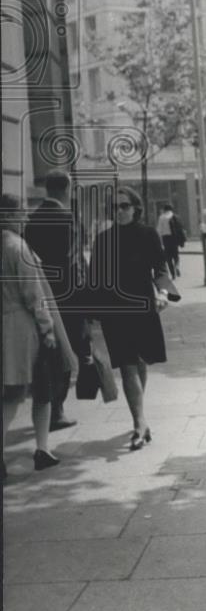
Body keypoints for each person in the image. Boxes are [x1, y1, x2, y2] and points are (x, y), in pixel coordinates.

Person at [87, 186, 169, 450]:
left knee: (140, 362)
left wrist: (164, 293)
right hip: (115, 311)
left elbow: (161, 268)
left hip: (143, 307)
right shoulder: (102, 240)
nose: (119, 211)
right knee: (128, 366)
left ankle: (140, 416)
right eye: (114, 207)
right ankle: (139, 424)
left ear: (135, 208)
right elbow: (95, 279)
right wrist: (92, 314)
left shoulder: (148, 234)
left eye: (124, 206)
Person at [1, 194, 78, 474]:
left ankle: (38, 450)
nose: (26, 218)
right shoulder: (18, 247)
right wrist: (48, 331)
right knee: (34, 391)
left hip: (5, 327)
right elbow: (35, 295)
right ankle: (42, 449)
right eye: (20, 213)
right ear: (7, 217)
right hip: (25, 329)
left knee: (12, 392)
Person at [24, 169, 91, 430]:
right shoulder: (67, 218)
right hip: (68, 296)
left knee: (49, 352)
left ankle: (51, 407)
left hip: (42, 293)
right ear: (67, 188)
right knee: (72, 348)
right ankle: (57, 410)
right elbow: (73, 262)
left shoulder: (32, 219)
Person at [156, 203, 186, 279]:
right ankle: (177, 266)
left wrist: (159, 241)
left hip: (166, 239)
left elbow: (159, 230)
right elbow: (181, 228)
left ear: (164, 209)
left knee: (168, 257)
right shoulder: (175, 217)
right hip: (174, 238)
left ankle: (173, 274)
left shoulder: (162, 217)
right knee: (176, 255)